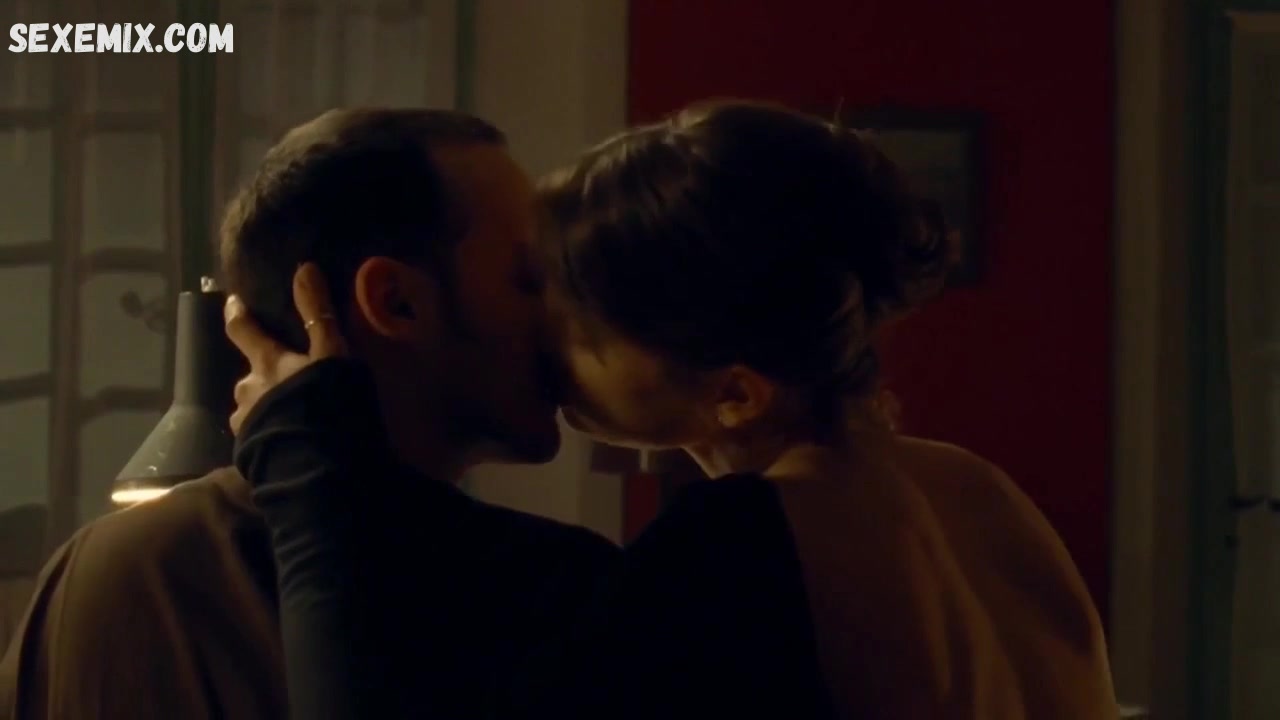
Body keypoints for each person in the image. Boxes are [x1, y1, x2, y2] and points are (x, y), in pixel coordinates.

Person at [227, 100, 1119, 719]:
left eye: (578, 314)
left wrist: (312, 458)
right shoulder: (976, 491)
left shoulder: (738, 551)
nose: (545, 331)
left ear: (734, 393)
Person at [0, 108, 619, 719]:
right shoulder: (548, 597)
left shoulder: (101, 571)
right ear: (396, 303)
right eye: (528, 279)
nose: (564, 313)